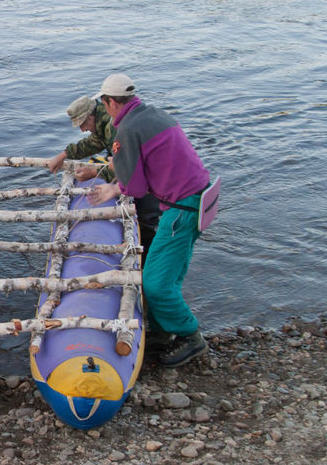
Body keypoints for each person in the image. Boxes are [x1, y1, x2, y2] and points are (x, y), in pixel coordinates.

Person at [86, 74, 210, 367]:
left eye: (104, 104)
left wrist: (113, 187)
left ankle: (191, 337)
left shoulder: (127, 129)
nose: (105, 110)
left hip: (182, 207)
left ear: (111, 102)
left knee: (155, 284)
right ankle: (163, 331)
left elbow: (137, 188)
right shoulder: (154, 114)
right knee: (165, 272)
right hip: (197, 196)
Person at [47, 96, 162, 261]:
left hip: (148, 179)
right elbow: (93, 143)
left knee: (146, 224)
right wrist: (65, 154)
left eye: (82, 124)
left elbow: (127, 166)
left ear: (91, 117)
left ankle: (146, 264)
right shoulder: (102, 124)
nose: (82, 129)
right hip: (141, 172)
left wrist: (95, 173)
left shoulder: (114, 127)